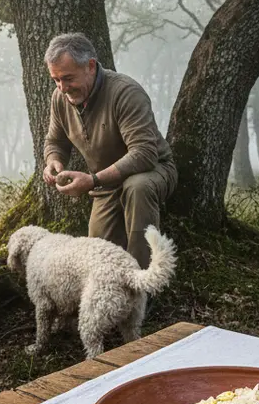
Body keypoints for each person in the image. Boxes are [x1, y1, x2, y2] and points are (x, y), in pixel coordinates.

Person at [42, 32, 177, 268]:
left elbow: (145, 153)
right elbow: (55, 141)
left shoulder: (126, 92)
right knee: (98, 257)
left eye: (68, 78)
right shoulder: (59, 98)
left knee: (137, 187)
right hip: (106, 184)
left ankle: (143, 286)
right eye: (56, 80)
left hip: (153, 170)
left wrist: (93, 180)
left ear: (90, 66)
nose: (62, 87)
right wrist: (54, 161)